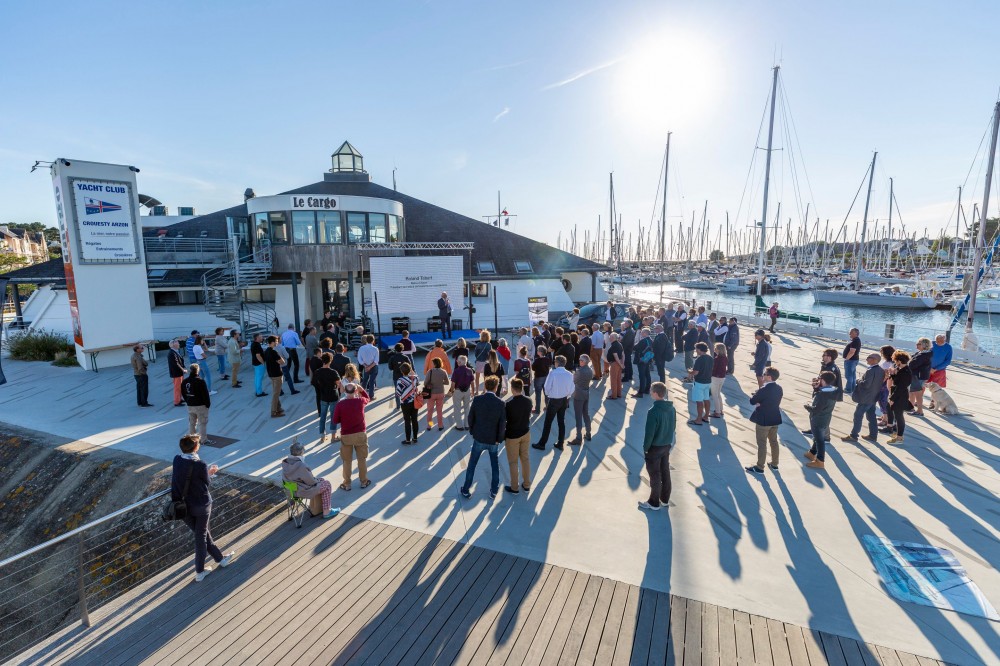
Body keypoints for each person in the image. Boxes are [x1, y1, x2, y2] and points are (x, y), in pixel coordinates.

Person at [171, 435, 235, 582]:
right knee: (201, 537)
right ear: (195, 447)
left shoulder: (177, 459)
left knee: (203, 534)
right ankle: (199, 571)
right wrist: (210, 472)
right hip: (201, 505)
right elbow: (206, 483)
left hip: (182, 506)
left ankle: (221, 559)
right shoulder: (200, 465)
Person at [461, 376, 506, 499]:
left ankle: (465, 489)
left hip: (479, 438)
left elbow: (470, 418)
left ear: (485, 386)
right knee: (494, 465)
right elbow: (502, 424)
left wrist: (472, 431)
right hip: (493, 440)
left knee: (472, 465)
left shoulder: (477, 400)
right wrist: (499, 439)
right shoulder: (501, 403)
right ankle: (494, 491)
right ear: (496, 387)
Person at [638, 382, 676, 511]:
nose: (649, 392)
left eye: (651, 390)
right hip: (666, 445)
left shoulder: (653, 411)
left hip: (654, 447)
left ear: (655, 393)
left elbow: (650, 433)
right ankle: (664, 499)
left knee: (655, 475)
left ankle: (654, 503)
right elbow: (673, 427)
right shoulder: (672, 408)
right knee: (665, 472)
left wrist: (645, 448)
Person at [281, 441, 339, 519]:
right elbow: (311, 482)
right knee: (327, 484)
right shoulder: (301, 465)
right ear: (301, 452)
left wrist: (318, 480)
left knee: (321, 480)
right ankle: (327, 511)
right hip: (302, 491)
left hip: (290, 490)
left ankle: (316, 507)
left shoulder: (286, 462)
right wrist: (318, 480)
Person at [332, 382, 372, 490]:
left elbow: (335, 420)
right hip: (360, 434)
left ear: (345, 391)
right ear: (355, 391)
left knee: (347, 461)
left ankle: (347, 484)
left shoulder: (340, 404)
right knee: (362, 459)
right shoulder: (360, 401)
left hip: (346, 436)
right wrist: (361, 389)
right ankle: (364, 481)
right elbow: (367, 397)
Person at [745, 367, 783, 474]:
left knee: (762, 443)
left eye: (765, 374)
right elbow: (774, 401)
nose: (763, 375)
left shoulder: (763, 389)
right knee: (774, 441)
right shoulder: (779, 388)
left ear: (769, 377)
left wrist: (759, 401)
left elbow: (752, 401)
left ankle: (760, 467)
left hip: (763, 420)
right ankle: (775, 464)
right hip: (775, 418)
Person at [533, 355, 574, 451]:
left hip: (554, 401)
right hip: (564, 400)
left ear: (557, 363)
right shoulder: (569, 374)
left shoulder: (553, 373)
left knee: (548, 423)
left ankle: (542, 444)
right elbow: (572, 388)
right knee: (561, 422)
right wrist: (566, 395)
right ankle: (560, 443)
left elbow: (547, 388)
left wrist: (550, 394)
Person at [842, 353, 884, 444]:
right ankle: (873, 435)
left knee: (858, 416)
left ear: (874, 360)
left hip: (865, 398)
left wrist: (858, 380)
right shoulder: (881, 370)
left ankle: (854, 435)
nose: (867, 359)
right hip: (873, 397)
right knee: (871, 416)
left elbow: (866, 384)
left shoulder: (870, 371)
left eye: (869, 358)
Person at [802, 349, 842, 442]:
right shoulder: (827, 366)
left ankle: (826, 437)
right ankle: (814, 430)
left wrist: (818, 387)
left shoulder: (831, 368)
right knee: (816, 414)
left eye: (824, 355)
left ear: (829, 357)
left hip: (826, 395)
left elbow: (829, 383)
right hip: (822, 393)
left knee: (823, 415)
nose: (822, 357)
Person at [804, 371, 839, 469]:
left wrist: (807, 406)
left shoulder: (822, 394)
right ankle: (812, 452)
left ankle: (820, 461)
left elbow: (816, 409)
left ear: (823, 380)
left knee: (819, 440)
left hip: (818, 419)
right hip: (826, 418)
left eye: (819, 378)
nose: (818, 380)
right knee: (818, 437)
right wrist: (816, 388)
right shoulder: (833, 390)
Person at [312, 352, 342, 442]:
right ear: (330, 361)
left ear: (322, 360)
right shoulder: (333, 372)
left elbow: (314, 383)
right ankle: (333, 436)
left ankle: (322, 436)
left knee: (323, 417)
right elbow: (339, 384)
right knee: (333, 417)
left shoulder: (317, 372)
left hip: (323, 396)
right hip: (333, 396)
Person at [887, 350, 913, 445]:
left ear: (899, 360)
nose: (894, 362)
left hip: (900, 396)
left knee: (899, 416)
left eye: (895, 360)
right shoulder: (902, 369)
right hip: (898, 394)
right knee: (897, 415)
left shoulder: (905, 372)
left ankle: (899, 438)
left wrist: (892, 399)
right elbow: (897, 382)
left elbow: (901, 387)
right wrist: (893, 375)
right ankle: (897, 435)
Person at [181, 363, 211, 443]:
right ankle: (203, 440)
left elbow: (183, 393)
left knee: (192, 423)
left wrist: (188, 401)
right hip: (200, 405)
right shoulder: (200, 381)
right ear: (197, 371)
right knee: (202, 423)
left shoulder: (185, 381)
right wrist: (207, 404)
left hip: (190, 405)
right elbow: (205, 394)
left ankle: (191, 439)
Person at [686, 342, 713, 426]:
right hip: (708, 381)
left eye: (696, 349)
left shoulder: (699, 359)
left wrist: (690, 371)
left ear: (699, 349)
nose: (695, 350)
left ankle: (698, 419)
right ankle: (706, 417)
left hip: (699, 382)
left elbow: (696, 372)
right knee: (706, 399)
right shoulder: (710, 358)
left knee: (699, 402)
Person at [570, 354, 594, 445]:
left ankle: (578, 437)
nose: (579, 361)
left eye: (580, 360)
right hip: (586, 393)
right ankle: (588, 433)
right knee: (586, 414)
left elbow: (574, 380)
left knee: (578, 416)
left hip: (579, 394)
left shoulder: (580, 371)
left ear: (584, 362)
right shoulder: (590, 370)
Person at [395, 362, 421, 444]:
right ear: (410, 370)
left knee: (407, 421)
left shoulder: (400, 381)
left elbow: (398, 393)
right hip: (414, 402)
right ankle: (415, 438)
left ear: (401, 371)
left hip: (405, 404)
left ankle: (408, 439)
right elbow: (417, 381)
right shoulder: (415, 379)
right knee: (415, 420)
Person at [908, 337, 933, 417]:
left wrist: (908, 362)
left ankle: (919, 411)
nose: (917, 345)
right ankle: (911, 407)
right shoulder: (922, 353)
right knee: (912, 392)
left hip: (918, 376)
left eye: (919, 344)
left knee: (918, 394)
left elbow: (912, 364)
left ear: (924, 345)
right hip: (918, 376)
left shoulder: (923, 355)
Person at [424, 356, 450, 430]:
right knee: (439, 411)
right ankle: (440, 425)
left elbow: (425, 383)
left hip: (431, 393)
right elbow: (447, 382)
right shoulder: (443, 371)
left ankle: (429, 425)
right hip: (441, 393)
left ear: (434, 364)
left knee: (430, 411)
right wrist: (440, 382)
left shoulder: (430, 371)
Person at [263, 336, 285, 418]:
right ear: (272, 342)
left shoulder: (267, 351)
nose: (277, 343)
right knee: (276, 394)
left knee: (276, 392)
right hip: (277, 375)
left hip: (271, 375)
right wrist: (280, 356)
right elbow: (282, 362)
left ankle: (278, 408)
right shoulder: (274, 352)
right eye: (276, 341)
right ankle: (274, 412)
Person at [929, 334, 953, 410]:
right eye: (937, 341)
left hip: (939, 370)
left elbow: (948, 361)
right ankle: (918, 400)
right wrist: (929, 367)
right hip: (928, 368)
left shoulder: (948, 347)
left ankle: (932, 403)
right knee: (922, 384)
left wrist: (936, 368)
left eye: (941, 341)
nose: (938, 342)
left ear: (944, 340)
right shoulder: (931, 344)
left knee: (936, 388)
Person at [450, 356, 474, 430]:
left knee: (457, 409)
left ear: (460, 362)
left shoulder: (456, 371)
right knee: (467, 408)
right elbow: (472, 382)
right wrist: (473, 391)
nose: (457, 362)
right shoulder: (470, 370)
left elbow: (453, 383)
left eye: (457, 361)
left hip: (457, 391)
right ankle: (467, 425)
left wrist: (452, 391)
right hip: (467, 391)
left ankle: (459, 426)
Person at [632, 328, 653, 398]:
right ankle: (647, 389)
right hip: (648, 359)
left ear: (646, 333)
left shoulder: (643, 341)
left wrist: (636, 344)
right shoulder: (650, 340)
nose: (641, 333)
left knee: (642, 376)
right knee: (647, 374)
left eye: (642, 332)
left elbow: (635, 348)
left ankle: (640, 392)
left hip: (641, 360)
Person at [387, 343, 408, 409]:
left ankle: (398, 406)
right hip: (405, 376)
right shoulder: (405, 357)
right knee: (405, 390)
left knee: (397, 391)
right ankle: (405, 403)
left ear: (395, 349)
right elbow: (409, 367)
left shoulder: (392, 358)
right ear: (402, 349)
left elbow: (390, 368)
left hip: (396, 376)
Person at [531, 345, 552, 412]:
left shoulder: (537, 360)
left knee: (538, 394)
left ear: (540, 352)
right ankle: (548, 406)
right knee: (546, 393)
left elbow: (533, 368)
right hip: (546, 377)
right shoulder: (547, 359)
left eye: (538, 350)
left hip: (538, 378)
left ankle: (537, 409)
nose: (537, 351)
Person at [709, 343, 728, 419]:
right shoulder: (725, 358)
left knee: (715, 395)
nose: (714, 349)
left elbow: (714, 369)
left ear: (719, 350)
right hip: (722, 377)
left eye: (715, 348)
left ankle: (717, 412)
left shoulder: (717, 359)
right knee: (718, 394)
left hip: (716, 378)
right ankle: (720, 409)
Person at [606, 332, 625, 400]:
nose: (609, 338)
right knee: (618, 379)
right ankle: (619, 394)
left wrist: (621, 364)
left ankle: (614, 395)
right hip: (619, 363)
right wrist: (622, 363)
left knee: (613, 380)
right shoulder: (619, 344)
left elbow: (616, 356)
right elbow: (623, 355)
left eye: (610, 337)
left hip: (615, 364)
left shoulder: (614, 345)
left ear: (613, 338)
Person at [843, 328, 861, 394]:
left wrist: (846, 359)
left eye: (851, 332)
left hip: (851, 360)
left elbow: (852, 352)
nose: (849, 334)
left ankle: (848, 389)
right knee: (853, 375)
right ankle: (853, 388)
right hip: (854, 360)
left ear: (856, 333)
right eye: (850, 332)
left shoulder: (854, 341)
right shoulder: (857, 340)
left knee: (849, 375)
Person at [168, 340, 186, 407]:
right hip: (177, 373)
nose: (179, 344)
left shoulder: (175, 351)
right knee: (177, 387)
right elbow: (176, 363)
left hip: (179, 372)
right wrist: (183, 370)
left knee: (180, 386)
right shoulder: (172, 353)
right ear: (173, 345)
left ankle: (179, 399)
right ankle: (176, 402)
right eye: (177, 343)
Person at [250, 333, 267, 397]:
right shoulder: (257, 345)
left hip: (255, 362)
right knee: (259, 378)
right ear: (257, 338)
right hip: (259, 363)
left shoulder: (253, 344)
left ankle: (258, 391)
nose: (262, 338)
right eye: (261, 337)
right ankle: (259, 392)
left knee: (257, 378)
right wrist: (262, 362)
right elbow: (258, 355)